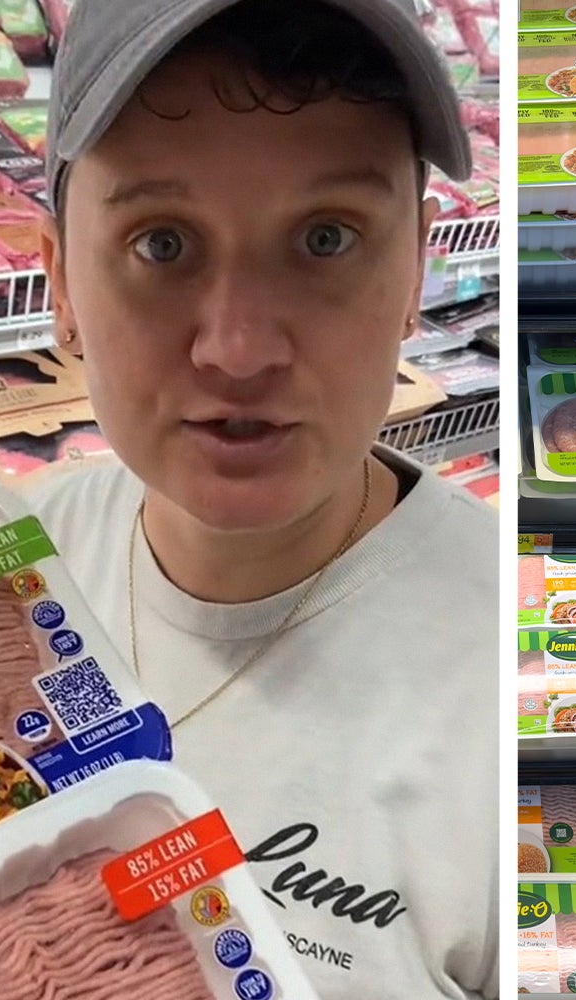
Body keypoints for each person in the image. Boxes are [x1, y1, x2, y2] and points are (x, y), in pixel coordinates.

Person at [25, 1, 498, 997]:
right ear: (60, 279)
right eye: (161, 244)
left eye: (324, 238)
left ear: (416, 262)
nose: (237, 349)